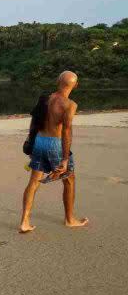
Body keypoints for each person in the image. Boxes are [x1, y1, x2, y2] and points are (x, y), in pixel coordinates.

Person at [19, 71, 89, 233]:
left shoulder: (45, 99)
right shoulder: (70, 105)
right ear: (76, 86)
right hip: (55, 144)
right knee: (69, 180)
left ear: (58, 81)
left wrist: (31, 143)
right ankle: (70, 219)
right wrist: (65, 158)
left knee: (34, 181)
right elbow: (66, 132)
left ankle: (24, 221)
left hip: (39, 141)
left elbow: (34, 121)